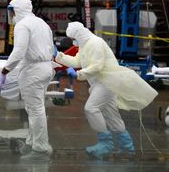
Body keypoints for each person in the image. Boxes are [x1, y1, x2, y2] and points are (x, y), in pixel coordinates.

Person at [55, 21, 158, 159]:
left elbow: (97, 66)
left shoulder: (95, 43)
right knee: (111, 116)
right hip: (101, 83)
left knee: (91, 108)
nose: (74, 42)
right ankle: (127, 148)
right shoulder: (85, 45)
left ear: (79, 35)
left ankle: (105, 143)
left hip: (107, 82)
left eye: (74, 39)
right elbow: (77, 61)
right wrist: (59, 56)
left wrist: (79, 74)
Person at [0, 0, 55, 161]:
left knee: (35, 110)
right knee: (35, 109)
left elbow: (19, 51)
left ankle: (40, 149)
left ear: (17, 10)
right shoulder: (42, 23)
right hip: (46, 68)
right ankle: (32, 143)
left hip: (33, 71)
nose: (11, 16)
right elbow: (51, 48)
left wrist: (5, 70)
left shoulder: (23, 25)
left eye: (12, 12)